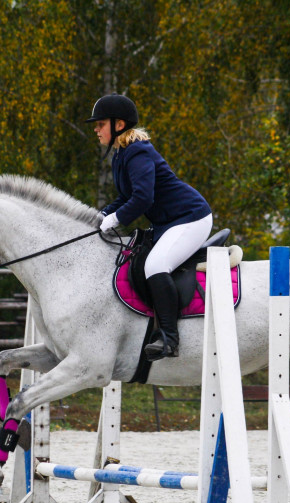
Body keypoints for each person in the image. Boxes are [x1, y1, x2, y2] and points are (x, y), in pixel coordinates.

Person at [87, 94, 212, 360]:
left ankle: (169, 339)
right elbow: (126, 197)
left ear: (119, 124)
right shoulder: (121, 155)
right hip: (169, 222)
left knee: (155, 265)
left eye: (100, 124)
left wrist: (116, 219)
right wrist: (100, 215)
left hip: (190, 217)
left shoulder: (137, 151)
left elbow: (143, 198)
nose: (96, 129)